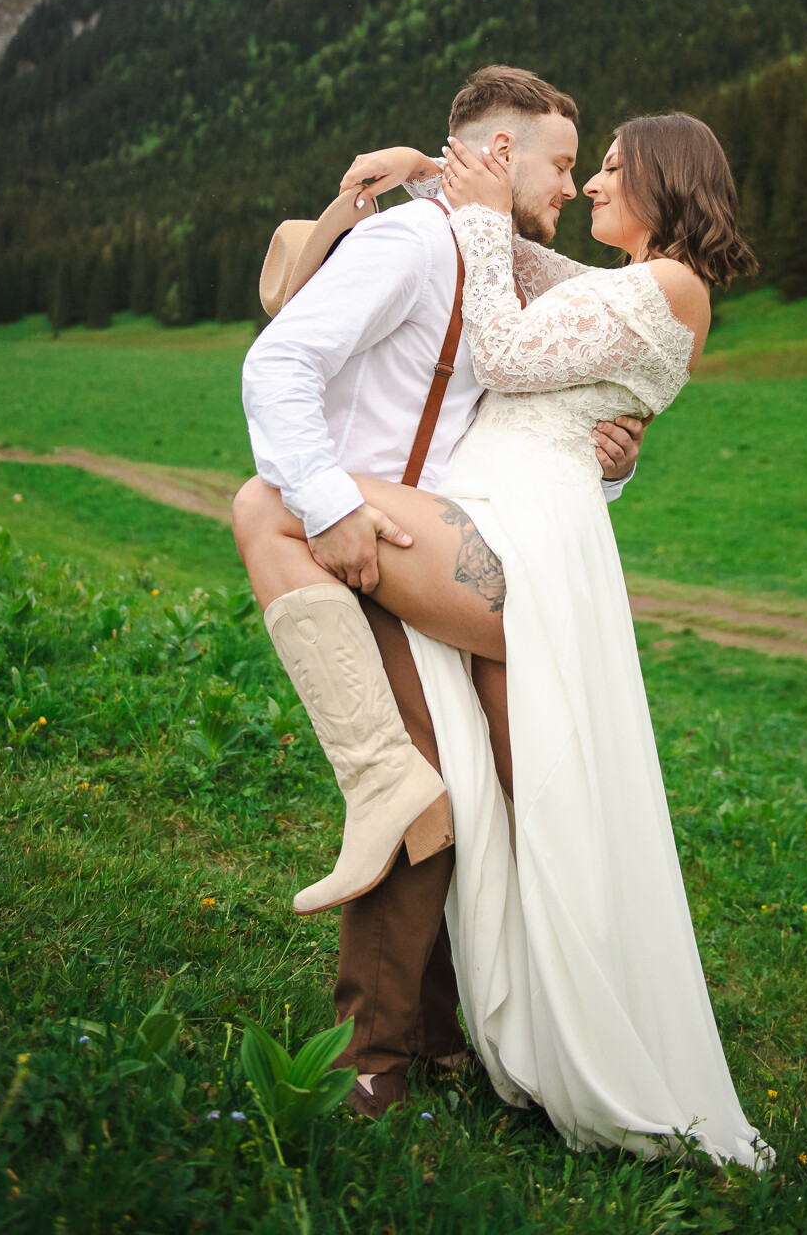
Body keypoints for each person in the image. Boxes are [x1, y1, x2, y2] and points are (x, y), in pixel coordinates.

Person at [239, 105, 772, 1166]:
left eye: (607, 167)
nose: (589, 186)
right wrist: (416, 177)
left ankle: (421, 978)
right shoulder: (622, 283)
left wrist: (482, 217)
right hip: (488, 528)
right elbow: (536, 291)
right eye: (577, 165)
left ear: (664, 181)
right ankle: (465, 1030)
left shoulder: (672, 287)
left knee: (269, 503)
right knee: (506, 805)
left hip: (512, 543)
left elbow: (506, 347)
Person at [233, 66, 645, 1115]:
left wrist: (610, 458)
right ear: (502, 154)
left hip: (456, 556)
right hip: (374, 551)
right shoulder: (413, 245)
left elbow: (521, 423)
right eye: (561, 163)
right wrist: (329, 505)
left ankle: (445, 1034)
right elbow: (278, 366)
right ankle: (375, 1058)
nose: (569, 186)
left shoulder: (496, 258)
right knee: (420, 790)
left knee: (492, 794)